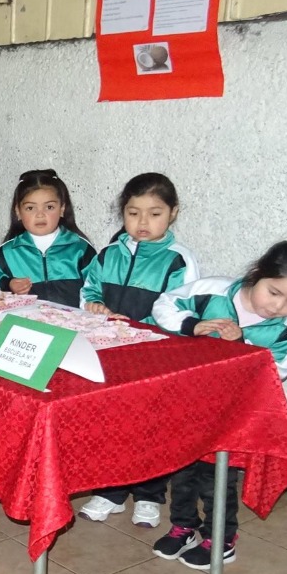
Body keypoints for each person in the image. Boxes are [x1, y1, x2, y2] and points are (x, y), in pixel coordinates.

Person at [150, 240, 287, 568]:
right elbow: (164, 304)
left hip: (232, 415)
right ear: (257, 273)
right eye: (273, 292)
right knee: (182, 471)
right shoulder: (214, 291)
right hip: (189, 404)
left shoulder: (284, 330)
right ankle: (183, 526)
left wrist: (242, 344)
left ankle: (222, 538)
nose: (277, 307)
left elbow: (278, 370)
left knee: (217, 478)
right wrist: (191, 325)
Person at [76, 173, 199, 527]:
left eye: (154, 213)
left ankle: (149, 495)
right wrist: (94, 306)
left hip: (154, 357)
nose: (143, 222)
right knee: (110, 422)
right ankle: (110, 491)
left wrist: (135, 325)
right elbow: (89, 290)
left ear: (173, 213)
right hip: (111, 353)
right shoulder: (108, 254)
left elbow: (180, 310)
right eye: (133, 213)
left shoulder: (178, 261)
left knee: (149, 426)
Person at [0, 169, 95, 305]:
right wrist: (7, 283)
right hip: (23, 318)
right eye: (30, 208)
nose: (40, 215)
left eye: (49, 207)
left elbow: (98, 287)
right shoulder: (8, 252)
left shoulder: (81, 250)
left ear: (62, 209)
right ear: (18, 212)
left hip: (72, 318)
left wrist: (94, 305)